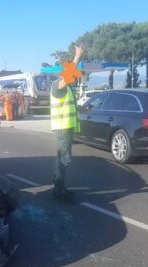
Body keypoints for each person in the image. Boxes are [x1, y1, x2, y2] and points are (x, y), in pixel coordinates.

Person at [51, 45, 83, 204]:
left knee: (61, 159)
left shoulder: (67, 87)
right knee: (65, 159)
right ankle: (59, 191)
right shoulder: (58, 86)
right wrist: (77, 56)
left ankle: (59, 188)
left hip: (66, 127)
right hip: (62, 128)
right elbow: (69, 74)